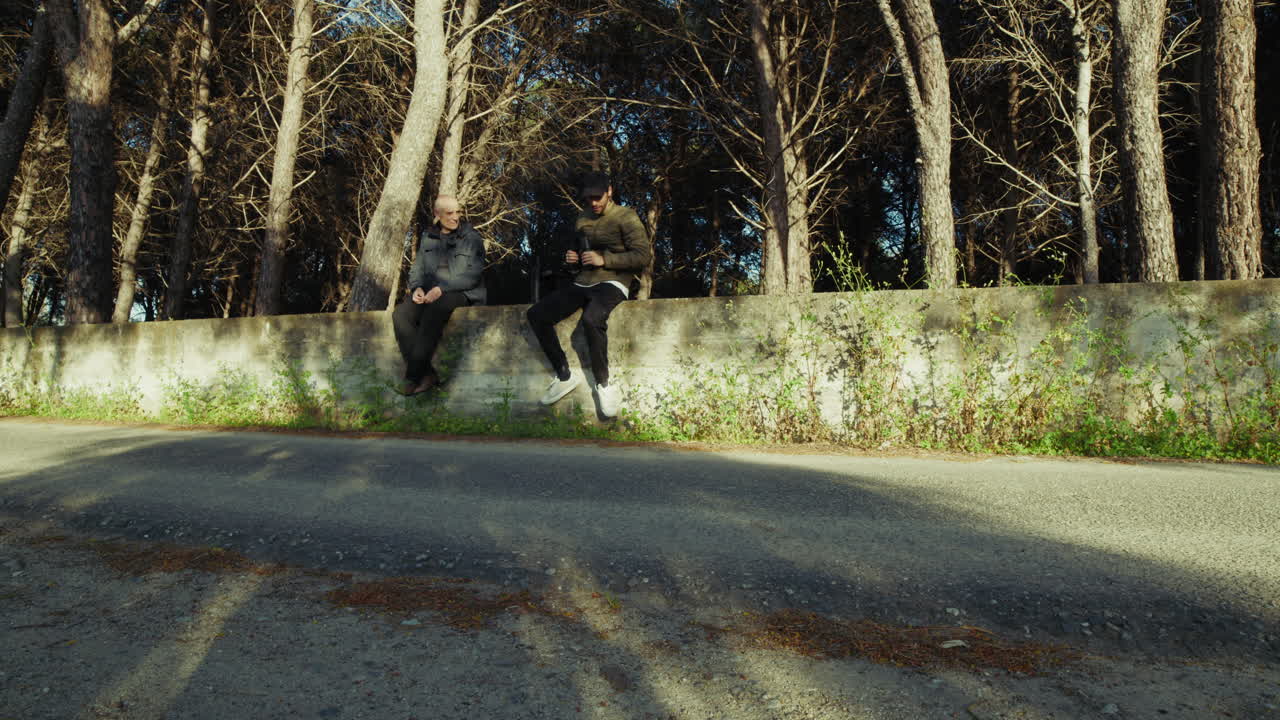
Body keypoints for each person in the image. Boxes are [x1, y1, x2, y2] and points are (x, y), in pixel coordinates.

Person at [526, 172, 652, 418]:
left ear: (610, 192)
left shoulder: (626, 216)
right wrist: (572, 260)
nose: (593, 202)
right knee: (537, 314)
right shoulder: (582, 218)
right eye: (588, 198)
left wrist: (605, 259)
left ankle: (604, 385)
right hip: (582, 282)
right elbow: (578, 254)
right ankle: (564, 376)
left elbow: (642, 256)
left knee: (591, 319)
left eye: (598, 197)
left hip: (614, 283)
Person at [392, 195, 486, 395]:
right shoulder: (428, 237)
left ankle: (412, 377)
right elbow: (416, 269)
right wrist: (416, 287)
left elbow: (472, 276)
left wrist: (441, 288)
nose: (455, 218)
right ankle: (428, 374)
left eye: (458, 212)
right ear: (437, 215)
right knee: (400, 315)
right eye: (449, 213)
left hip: (461, 292)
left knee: (434, 309)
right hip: (429, 292)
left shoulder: (472, 238)